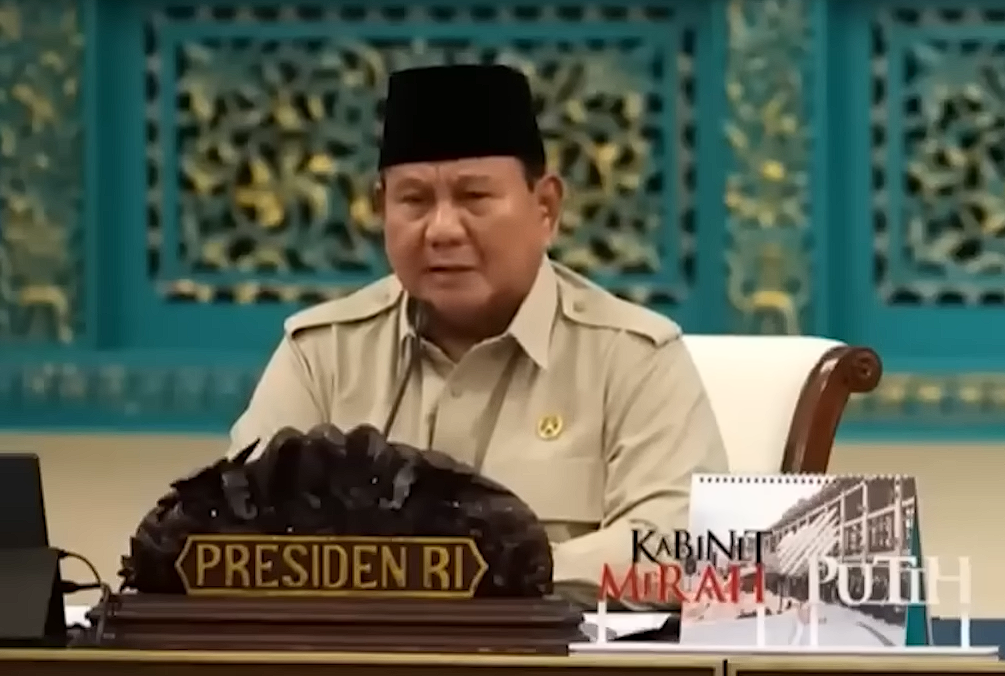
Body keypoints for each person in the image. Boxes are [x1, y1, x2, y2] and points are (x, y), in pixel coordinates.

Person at [227, 63, 728, 606]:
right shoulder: (322, 353)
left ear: (546, 208)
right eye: (414, 201)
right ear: (380, 209)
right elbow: (233, 529)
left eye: (474, 198)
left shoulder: (632, 357)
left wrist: (488, 571)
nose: (442, 230)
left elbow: (686, 549)